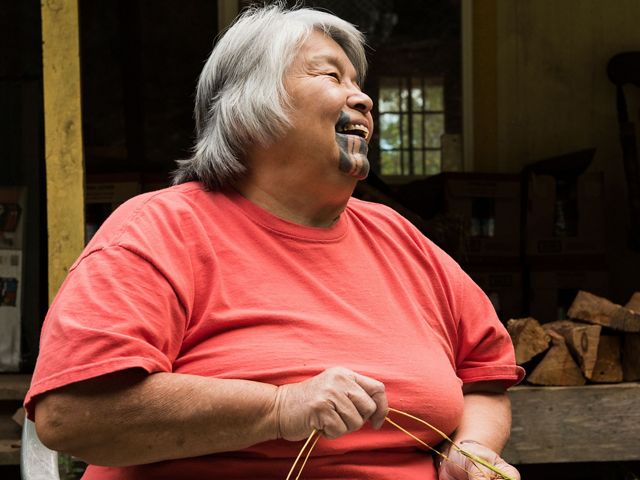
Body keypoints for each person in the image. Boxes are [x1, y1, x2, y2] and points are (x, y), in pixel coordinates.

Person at [25, 3, 525, 479]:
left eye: (358, 82)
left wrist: (471, 449)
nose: (363, 99)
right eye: (331, 75)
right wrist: (280, 408)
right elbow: (71, 414)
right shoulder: (160, 229)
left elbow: (483, 374)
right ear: (250, 108)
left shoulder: (399, 238)